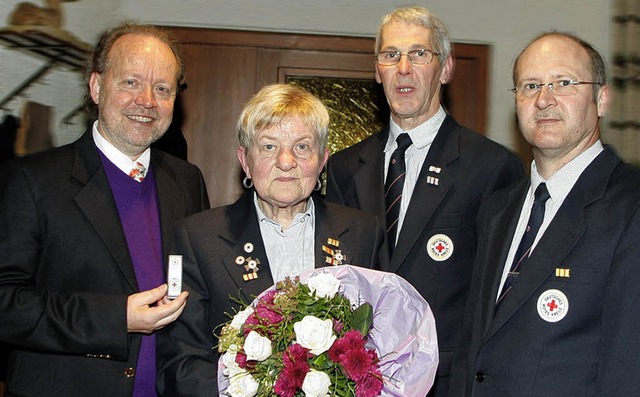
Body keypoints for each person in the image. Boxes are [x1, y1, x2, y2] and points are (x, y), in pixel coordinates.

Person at [0, 24, 210, 397]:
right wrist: (117, 318)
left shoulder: (186, 181)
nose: (147, 100)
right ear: (96, 87)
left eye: (162, 89)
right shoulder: (31, 181)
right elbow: (5, 303)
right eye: (131, 82)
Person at [324, 6, 524, 396]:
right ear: (376, 69)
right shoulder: (345, 167)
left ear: (446, 68)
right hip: (357, 379)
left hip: (448, 382)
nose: (403, 68)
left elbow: (501, 296)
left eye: (420, 54)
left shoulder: (492, 166)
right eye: (391, 55)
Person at [156, 83, 385, 396]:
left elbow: (382, 348)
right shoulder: (198, 239)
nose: (286, 161)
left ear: (322, 160)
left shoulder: (363, 233)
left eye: (302, 147)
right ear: (245, 160)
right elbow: (179, 366)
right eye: (268, 147)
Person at [450, 32, 640, 396]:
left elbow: (629, 366)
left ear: (601, 98)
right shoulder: (498, 209)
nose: (544, 99)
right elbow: (475, 346)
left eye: (563, 82)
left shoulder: (630, 205)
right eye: (530, 85)